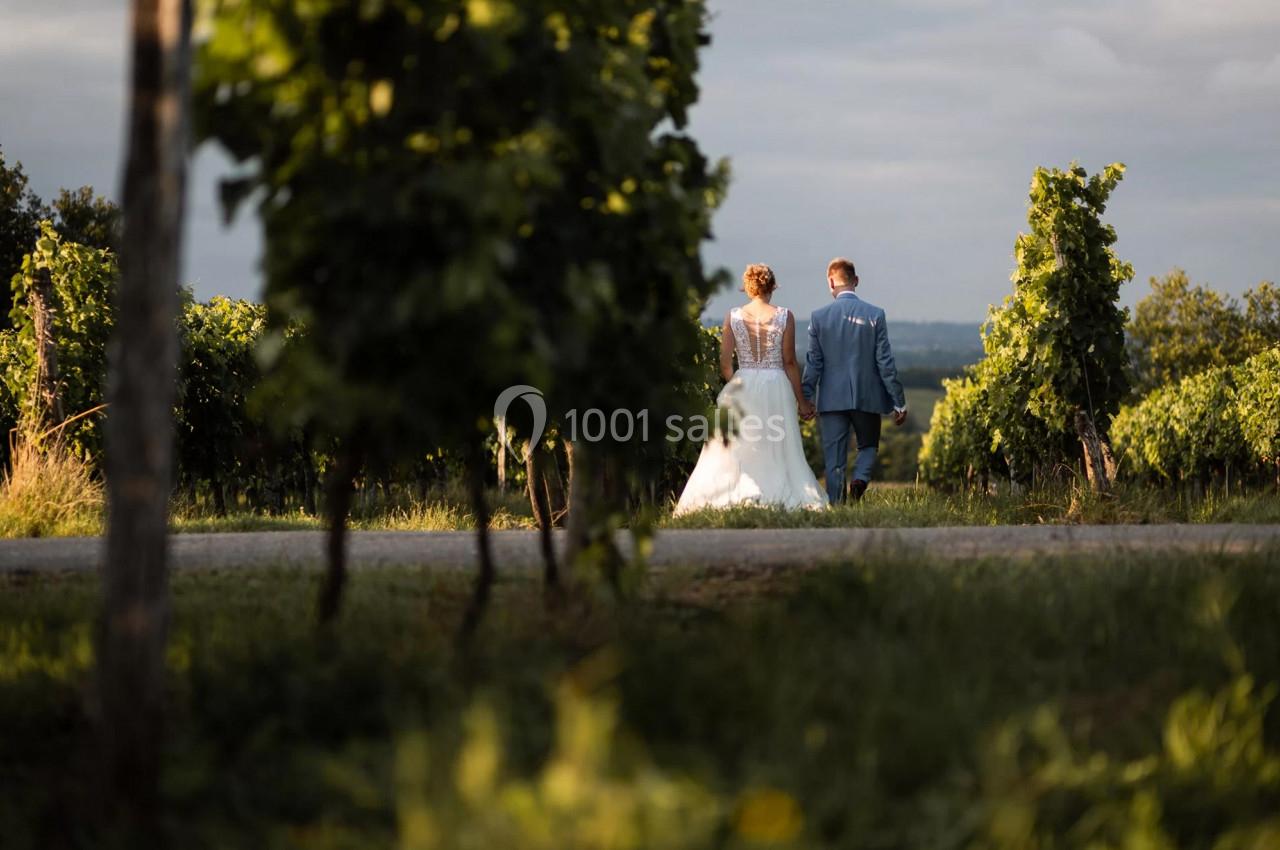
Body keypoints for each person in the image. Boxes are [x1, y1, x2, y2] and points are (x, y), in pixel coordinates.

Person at [674, 264, 827, 514]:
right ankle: (778, 494)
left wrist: (737, 384)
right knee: (778, 444)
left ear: (747, 287)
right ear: (772, 286)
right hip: (775, 383)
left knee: (740, 445)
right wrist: (803, 401)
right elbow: (789, 361)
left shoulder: (733, 316)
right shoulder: (784, 316)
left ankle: (737, 492)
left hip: (742, 383)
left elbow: (725, 363)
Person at [801, 258, 907, 504]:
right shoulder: (876, 314)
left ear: (830, 282)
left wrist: (805, 398)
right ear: (856, 281)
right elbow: (885, 363)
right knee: (868, 446)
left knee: (834, 459)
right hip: (867, 397)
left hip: (831, 399)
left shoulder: (818, 317)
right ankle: (859, 480)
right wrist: (898, 402)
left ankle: (836, 506)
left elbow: (813, 363)